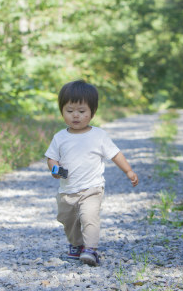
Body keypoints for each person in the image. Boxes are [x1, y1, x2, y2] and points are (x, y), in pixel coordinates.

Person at [45, 79, 139, 266]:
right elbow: (51, 158)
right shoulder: (60, 137)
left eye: (81, 111)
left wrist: (128, 171)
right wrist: (55, 169)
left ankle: (90, 249)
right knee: (68, 220)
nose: (75, 116)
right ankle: (76, 244)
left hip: (92, 188)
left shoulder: (99, 136)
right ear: (62, 111)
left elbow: (115, 154)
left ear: (92, 113)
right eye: (69, 111)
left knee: (89, 217)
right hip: (67, 190)